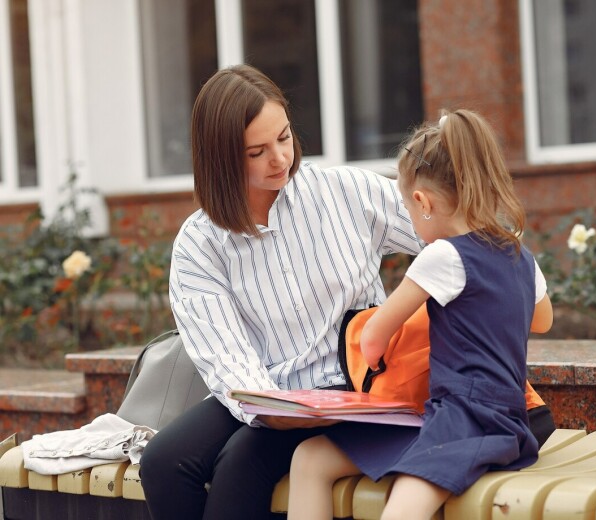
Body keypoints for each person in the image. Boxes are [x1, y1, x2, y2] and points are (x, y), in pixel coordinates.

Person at [138, 64, 423, 520]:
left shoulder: (343, 191)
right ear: (220, 157)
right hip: (267, 390)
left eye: (285, 138)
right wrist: (269, 409)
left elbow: (448, 238)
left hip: (354, 383)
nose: (280, 159)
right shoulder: (200, 244)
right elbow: (223, 354)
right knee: (163, 462)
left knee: (242, 463)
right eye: (257, 151)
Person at [287, 109, 554, 520]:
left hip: (459, 424)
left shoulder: (442, 256)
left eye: (410, 213)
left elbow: (374, 337)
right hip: (505, 424)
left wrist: (375, 362)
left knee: (393, 506)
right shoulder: (520, 254)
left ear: (422, 202)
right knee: (311, 457)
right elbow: (543, 321)